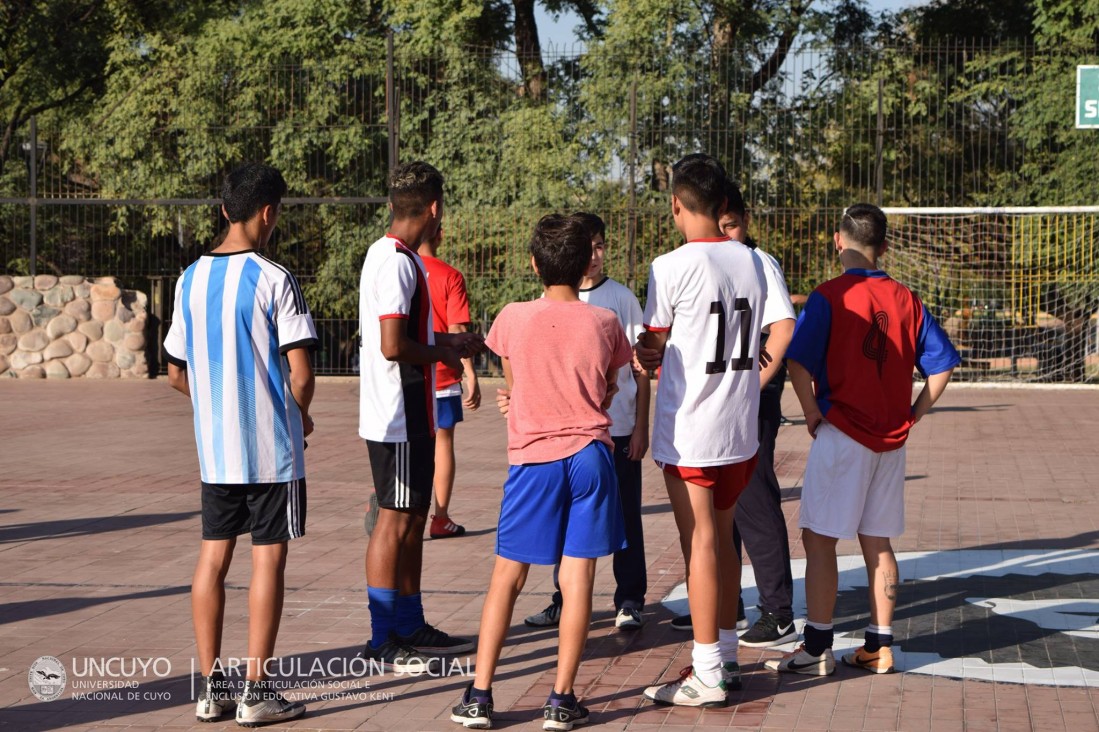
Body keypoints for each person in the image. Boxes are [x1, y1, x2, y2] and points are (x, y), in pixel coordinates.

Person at [450, 213, 631, 731]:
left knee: (507, 577)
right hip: (591, 457)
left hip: (534, 459)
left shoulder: (511, 317)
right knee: (578, 581)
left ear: (534, 263)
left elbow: (515, 379)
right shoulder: (604, 323)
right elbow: (608, 387)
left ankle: (480, 695)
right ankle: (560, 698)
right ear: (586, 265)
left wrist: (524, 399)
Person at [767, 203, 960, 677]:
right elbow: (942, 365)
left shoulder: (828, 296)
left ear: (839, 241)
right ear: (885, 247)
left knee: (820, 540)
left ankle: (816, 647)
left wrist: (811, 412)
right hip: (890, 441)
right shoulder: (907, 298)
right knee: (878, 541)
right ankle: (880, 645)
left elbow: (797, 361)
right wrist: (912, 414)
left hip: (843, 434)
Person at [165, 162, 314, 726]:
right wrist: (298, 416)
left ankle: (209, 687)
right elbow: (302, 372)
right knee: (267, 561)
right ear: (268, 212)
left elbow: (176, 372)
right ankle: (258, 690)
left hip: (216, 450)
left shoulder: (188, 279)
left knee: (213, 558)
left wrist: (213, 407)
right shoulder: (275, 278)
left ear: (226, 208)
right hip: (271, 450)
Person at [635, 154, 766, 707]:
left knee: (701, 545)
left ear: (676, 206)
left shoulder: (670, 266)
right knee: (723, 538)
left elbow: (654, 342)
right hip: (740, 425)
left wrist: (642, 350)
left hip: (692, 427)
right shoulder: (757, 261)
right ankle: (728, 655)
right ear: (723, 206)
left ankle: (708, 670)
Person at [358, 161, 484, 671]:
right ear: (434, 209)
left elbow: (405, 338)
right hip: (397, 415)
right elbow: (393, 347)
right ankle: (381, 636)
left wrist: (448, 342)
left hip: (407, 411)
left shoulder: (391, 255)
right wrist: (442, 355)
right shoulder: (396, 262)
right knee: (393, 522)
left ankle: (409, 623)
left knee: (411, 520)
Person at [669, 181, 799, 648]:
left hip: (748, 399)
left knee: (754, 501)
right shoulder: (700, 262)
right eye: (720, 227)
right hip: (714, 402)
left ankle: (777, 610)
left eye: (733, 226)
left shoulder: (757, 262)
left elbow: (782, 330)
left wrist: (748, 386)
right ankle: (725, 602)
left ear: (744, 222)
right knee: (721, 515)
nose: (726, 234)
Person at [523, 211, 651, 632]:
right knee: (566, 520)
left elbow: (638, 370)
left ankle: (630, 598)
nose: (594, 256)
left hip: (616, 431)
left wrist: (641, 428)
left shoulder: (621, 299)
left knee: (626, 517)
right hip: (570, 437)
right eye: (587, 247)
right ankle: (564, 599)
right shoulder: (553, 303)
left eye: (599, 246)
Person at [419, 226, 481, 539]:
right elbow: (457, 328)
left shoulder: (399, 268)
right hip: (443, 373)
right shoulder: (450, 276)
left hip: (408, 372)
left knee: (404, 441)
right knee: (442, 443)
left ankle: (389, 501)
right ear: (439, 233)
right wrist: (470, 373)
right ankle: (440, 517)